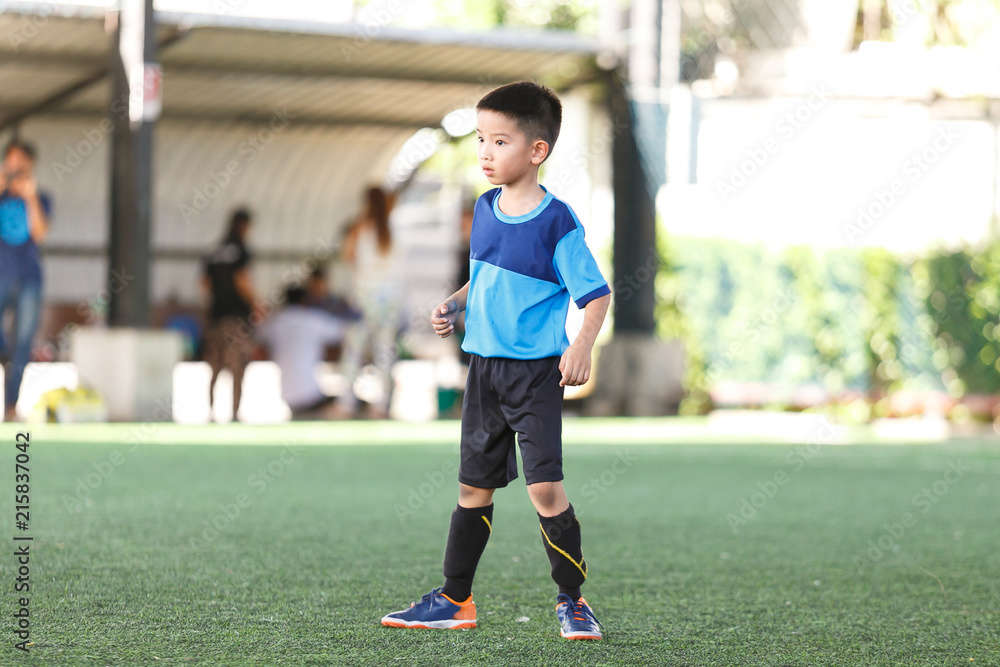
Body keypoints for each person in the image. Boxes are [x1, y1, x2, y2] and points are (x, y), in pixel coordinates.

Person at [381, 82, 612, 640]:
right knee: (472, 489)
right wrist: (455, 303)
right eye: (481, 139)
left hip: (534, 376)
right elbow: (486, 272)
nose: (485, 152)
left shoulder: (558, 222)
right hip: (482, 372)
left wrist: (580, 345)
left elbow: (596, 293)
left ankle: (573, 601)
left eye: (499, 141)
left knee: (545, 491)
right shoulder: (483, 207)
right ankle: (456, 599)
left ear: (537, 151)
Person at [339, 186, 403, 418]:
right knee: (384, 350)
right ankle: (381, 405)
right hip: (390, 299)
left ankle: (346, 401)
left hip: (364, 298)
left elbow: (347, 256)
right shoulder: (394, 228)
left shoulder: (359, 227)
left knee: (354, 348)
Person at [0, 140, 50, 422]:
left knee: (23, 342)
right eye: (11, 161)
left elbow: (41, 233)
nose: (16, 167)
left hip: (29, 278)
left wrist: (30, 196)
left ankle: (10, 406)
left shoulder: (41, 198)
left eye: (22, 162)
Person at [202, 209, 261, 422]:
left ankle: (210, 411)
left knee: (215, 365)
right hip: (236, 318)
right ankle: (235, 413)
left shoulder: (214, 251)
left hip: (216, 317)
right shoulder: (241, 250)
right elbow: (242, 280)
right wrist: (256, 305)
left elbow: (205, 284)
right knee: (237, 365)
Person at [256, 285, 349, 418]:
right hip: (311, 396)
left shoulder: (275, 322)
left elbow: (259, 334)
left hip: (287, 396)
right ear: (305, 301)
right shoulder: (312, 319)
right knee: (349, 404)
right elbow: (344, 331)